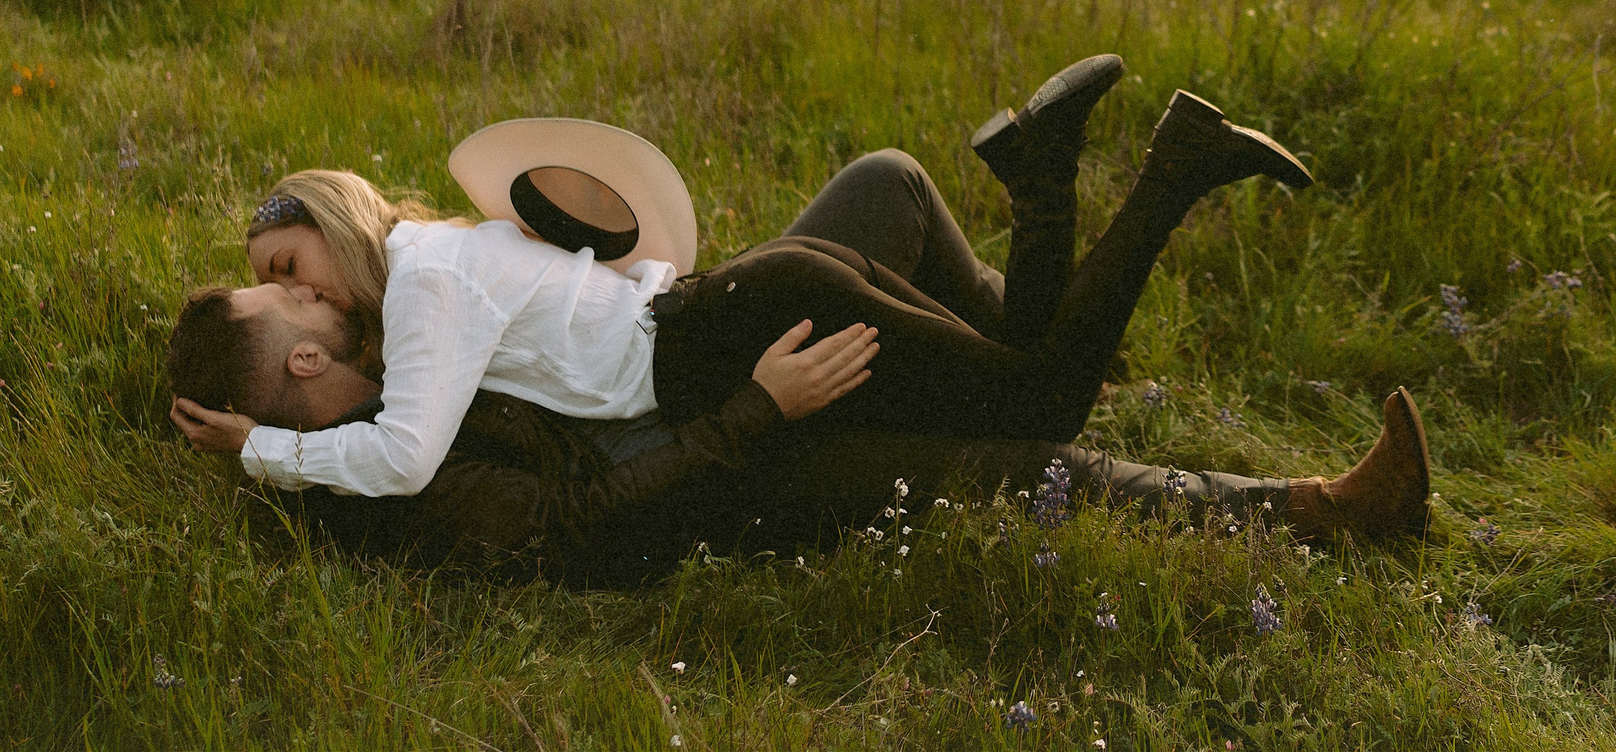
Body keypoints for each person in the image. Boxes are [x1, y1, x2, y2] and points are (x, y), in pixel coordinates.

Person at [167, 154, 1430, 580]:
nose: (301, 281)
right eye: (283, 293)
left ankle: (1025, 338)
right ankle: (1321, 512)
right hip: (733, 461)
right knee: (1010, 454)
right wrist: (758, 411)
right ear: (306, 356)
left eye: (284, 263)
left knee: (879, 189)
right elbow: (581, 529)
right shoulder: (398, 470)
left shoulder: (397, 326)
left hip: (704, 351)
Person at [171, 61, 1310, 499]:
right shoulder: (452, 250)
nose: (308, 292)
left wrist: (259, 448)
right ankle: (1043, 168)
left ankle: (1169, 172)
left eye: (289, 266)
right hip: (735, 304)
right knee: (1024, 374)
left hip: (727, 333)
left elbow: (406, 456)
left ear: (333, 224)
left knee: (1042, 402)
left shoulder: (424, 287)